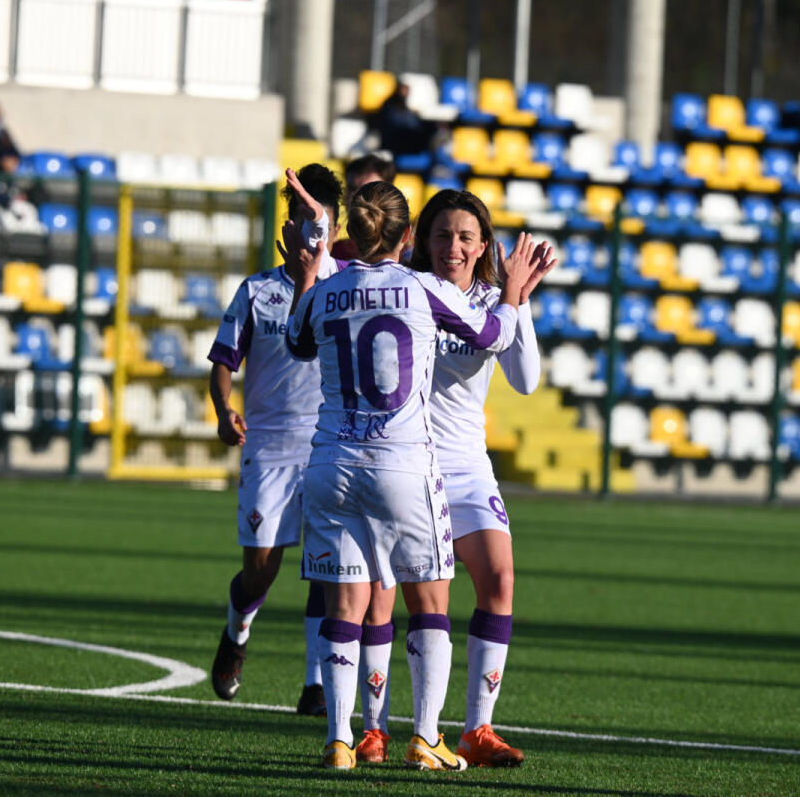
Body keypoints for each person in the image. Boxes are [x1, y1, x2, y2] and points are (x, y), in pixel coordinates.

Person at [283, 180, 542, 771]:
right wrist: (515, 295)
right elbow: (495, 334)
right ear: (409, 236)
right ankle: (422, 736)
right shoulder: (422, 288)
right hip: (405, 463)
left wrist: (313, 265)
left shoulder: (329, 289)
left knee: (346, 605)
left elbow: (297, 343)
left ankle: (341, 741)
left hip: (335, 463)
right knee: (424, 603)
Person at [352, 190, 555, 768]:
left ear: (484, 246)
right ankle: (379, 730)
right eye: (443, 235)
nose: (454, 248)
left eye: (467, 237)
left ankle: (476, 730)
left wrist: (520, 300)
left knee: (500, 577)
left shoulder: (496, 299)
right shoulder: (408, 292)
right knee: (394, 600)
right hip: (407, 462)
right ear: (421, 240)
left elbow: (526, 379)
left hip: (467, 467)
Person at [206, 163, 345, 717]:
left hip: (330, 446)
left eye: (316, 218)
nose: (305, 228)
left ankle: (314, 686)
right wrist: (224, 408)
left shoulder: (345, 285)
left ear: (331, 226)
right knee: (261, 566)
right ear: (284, 225)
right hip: (268, 446)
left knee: (326, 566)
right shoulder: (257, 290)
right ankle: (237, 634)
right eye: (296, 216)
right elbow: (222, 360)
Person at [329, 154, 395, 262]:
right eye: (351, 189)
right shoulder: (333, 253)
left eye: (368, 189)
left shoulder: (410, 254)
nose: (356, 197)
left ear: (391, 195)